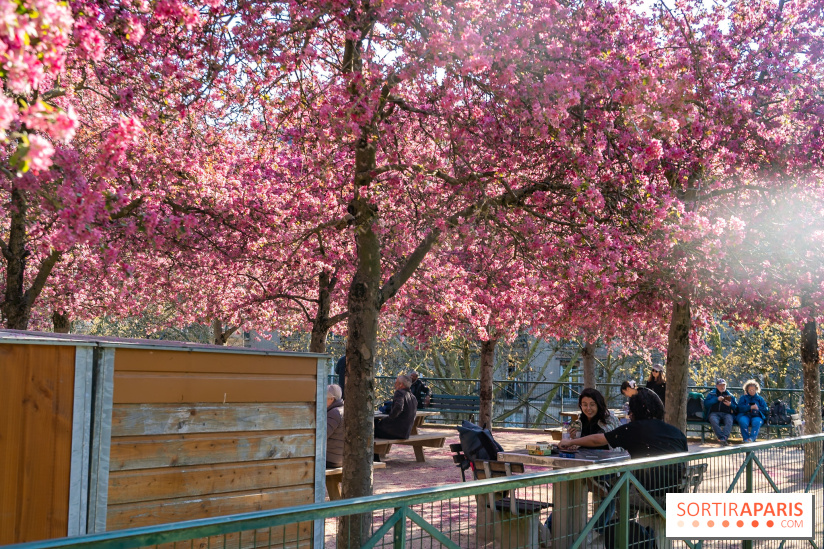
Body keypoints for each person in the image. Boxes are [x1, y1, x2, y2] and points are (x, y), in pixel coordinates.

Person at [559, 387, 688, 512]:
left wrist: (570, 441)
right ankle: (621, 527)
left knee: (613, 489)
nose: (628, 414)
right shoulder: (677, 432)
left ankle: (609, 529)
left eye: (630, 411)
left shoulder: (634, 429)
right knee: (617, 484)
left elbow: (598, 440)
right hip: (678, 495)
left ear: (635, 410)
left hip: (648, 494)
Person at [375, 374, 418, 441]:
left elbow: (398, 407)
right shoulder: (413, 397)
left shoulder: (399, 393)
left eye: (396, 383)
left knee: (372, 425)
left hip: (395, 432)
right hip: (405, 433)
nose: (394, 385)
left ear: (401, 385)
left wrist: (389, 418)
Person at [704, 378, 737, 445]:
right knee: (713, 420)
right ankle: (722, 438)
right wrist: (716, 399)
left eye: (724, 385)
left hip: (727, 413)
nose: (722, 387)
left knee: (729, 420)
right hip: (714, 413)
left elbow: (736, 408)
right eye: (720, 385)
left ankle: (723, 438)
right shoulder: (712, 394)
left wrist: (730, 405)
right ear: (716, 386)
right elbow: (706, 404)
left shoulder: (730, 395)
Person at [326, 384, 345, 468]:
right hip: (342, 458)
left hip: (331, 459)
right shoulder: (344, 409)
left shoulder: (334, 413)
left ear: (331, 399)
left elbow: (322, 436)